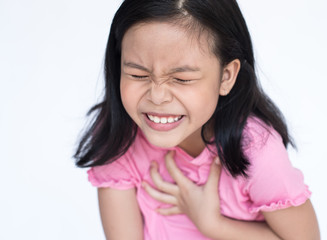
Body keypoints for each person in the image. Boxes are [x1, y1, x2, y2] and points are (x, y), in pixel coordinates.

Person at [74, 0, 320, 239]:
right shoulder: (118, 141)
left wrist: (213, 225)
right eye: (138, 74)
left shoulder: (257, 151)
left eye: (181, 79)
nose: (157, 96)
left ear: (225, 76)